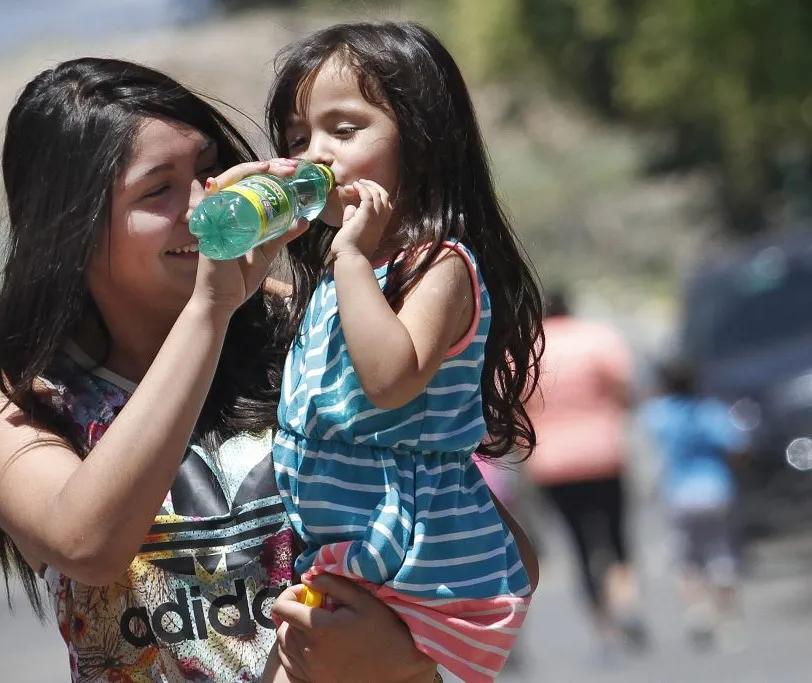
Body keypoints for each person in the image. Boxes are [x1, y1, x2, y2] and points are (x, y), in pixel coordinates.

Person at [0, 57, 440, 683]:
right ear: (68, 231)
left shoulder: (313, 326)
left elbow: (489, 539)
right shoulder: (17, 398)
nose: (204, 203)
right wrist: (209, 313)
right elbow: (89, 545)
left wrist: (409, 649)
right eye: (157, 189)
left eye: (209, 169)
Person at [264, 22, 543, 682]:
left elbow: (390, 379)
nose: (316, 156)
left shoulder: (438, 266)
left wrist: (352, 257)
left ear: (418, 143)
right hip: (349, 547)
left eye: (343, 129)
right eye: (298, 137)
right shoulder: (339, 278)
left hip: (404, 549)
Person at [524, 289, 647, 658]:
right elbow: (624, 387)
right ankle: (627, 603)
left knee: (578, 545)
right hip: (603, 452)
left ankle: (603, 627)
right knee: (616, 536)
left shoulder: (528, 350)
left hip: (553, 463)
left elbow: (513, 404)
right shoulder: (596, 337)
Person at [640, 355, 746, 650]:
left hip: (680, 494)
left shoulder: (658, 414)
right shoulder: (710, 411)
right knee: (723, 553)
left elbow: (649, 439)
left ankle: (698, 612)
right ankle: (730, 619)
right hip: (717, 489)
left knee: (688, 559)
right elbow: (736, 444)